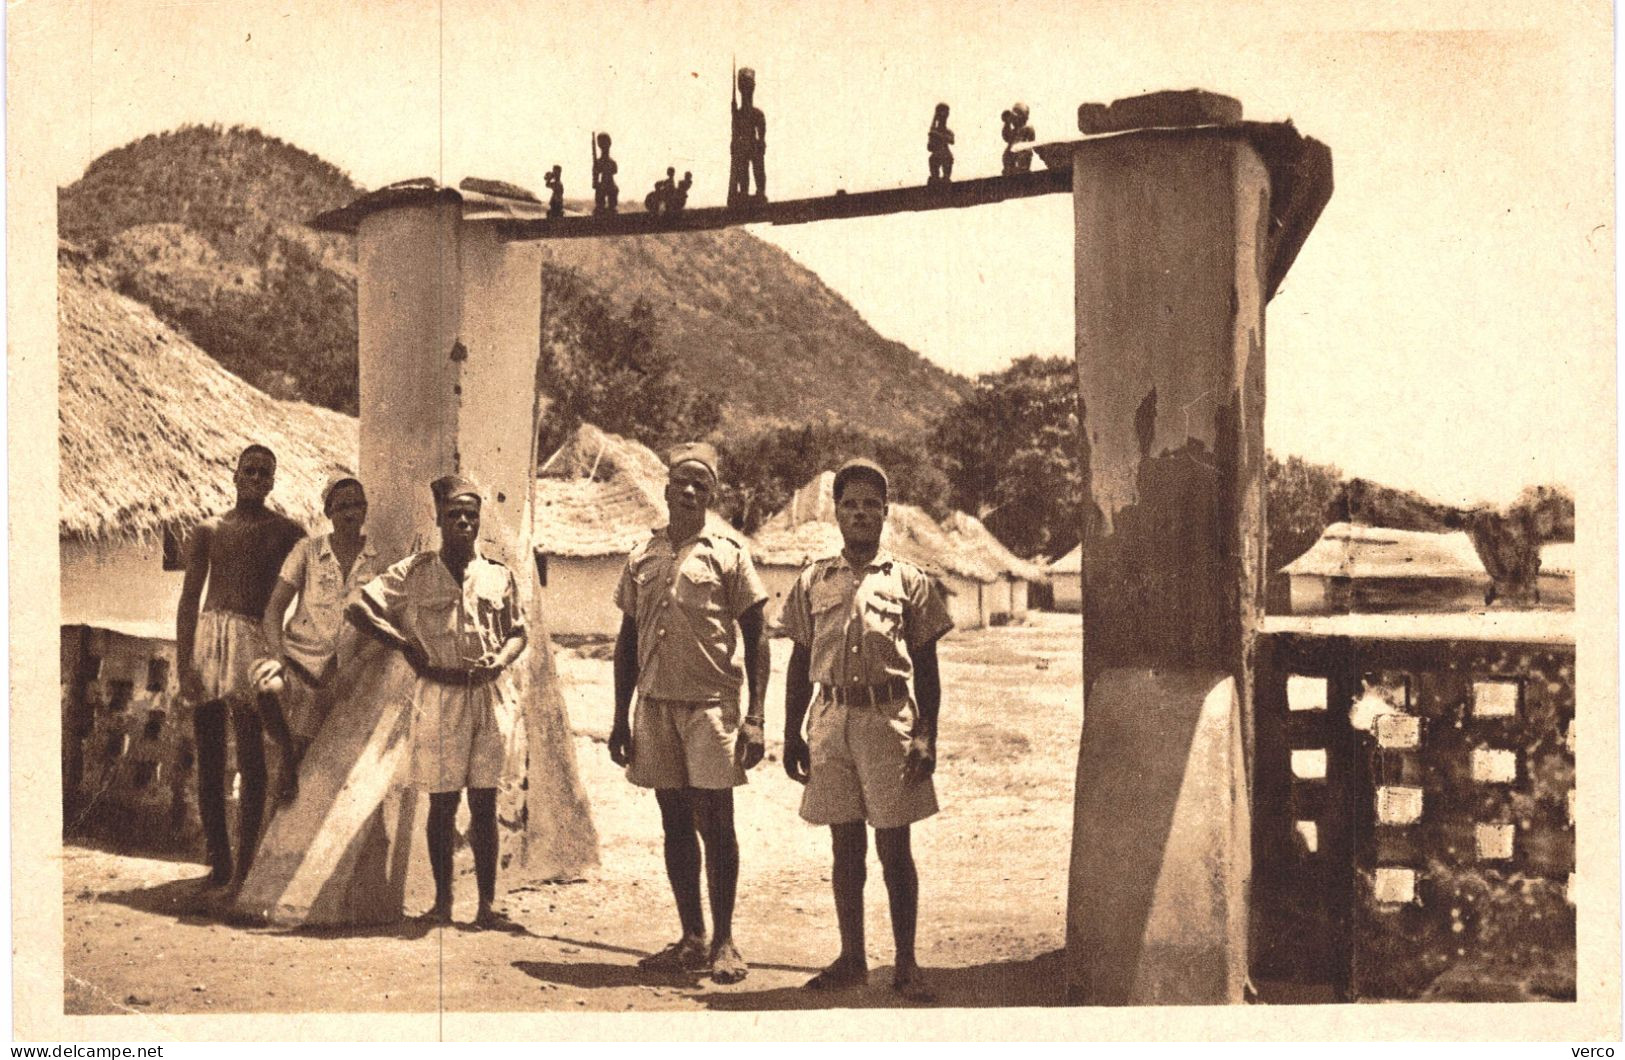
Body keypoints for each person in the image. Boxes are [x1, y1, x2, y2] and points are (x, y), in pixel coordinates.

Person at [781, 459, 952, 1003]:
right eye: (849, 503)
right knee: (844, 847)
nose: (859, 513)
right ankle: (851, 957)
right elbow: (798, 659)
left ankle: (906, 963)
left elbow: (926, 666)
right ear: (836, 512)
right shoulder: (814, 579)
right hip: (831, 722)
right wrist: (791, 732)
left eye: (870, 505)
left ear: (885, 513)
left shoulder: (909, 581)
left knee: (894, 848)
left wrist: (927, 732)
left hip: (888, 722)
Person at [609, 443, 769, 984]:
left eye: (701, 483)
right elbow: (626, 641)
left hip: (711, 708)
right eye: (682, 480)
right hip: (655, 707)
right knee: (673, 822)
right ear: (666, 487)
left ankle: (725, 941)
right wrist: (618, 715)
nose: (690, 490)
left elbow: (757, 636)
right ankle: (692, 936)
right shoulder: (643, 555)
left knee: (716, 824)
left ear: (712, 494)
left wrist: (756, 717)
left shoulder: (728, 552)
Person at [346, 475, 527, 930]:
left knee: (485, 802)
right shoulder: (415, 572)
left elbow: (518, 631)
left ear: (479, 520)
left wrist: (500, 661)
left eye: (471, 515)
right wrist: (404, 644)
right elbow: (358, 607)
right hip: (439, 694)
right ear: (441, 520)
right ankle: (443, 904)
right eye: (454, 515)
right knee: (443, 804)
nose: (463, 522)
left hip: (487, 695)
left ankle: (487, 905)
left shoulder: (498, 575)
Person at [175, 444, 307, 895]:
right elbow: (189, 599)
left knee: (251, 758)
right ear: (234, 476)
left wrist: (287, 650)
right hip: (209, 642)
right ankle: (219, 863)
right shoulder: (208, 529)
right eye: (248, 470)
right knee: (209, 757)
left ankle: (245, 868)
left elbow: (299, 591)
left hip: (253, 643)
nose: (255, 478)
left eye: (263, 473)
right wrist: (183, 664)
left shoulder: (288, 531)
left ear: (272, 482)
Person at [256, 474, 381, 766]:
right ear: (329, 512)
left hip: (340, 678)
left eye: (358, 505)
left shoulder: (377, 561)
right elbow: (274, 610)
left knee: (315, 767)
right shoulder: (308, 552)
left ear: (365, 510)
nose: (351, 512)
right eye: (342, 506)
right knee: (282, 761)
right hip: (297, 669)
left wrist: (357, 664)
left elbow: (382, 625)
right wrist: (279, 659)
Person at [728, 67, 766, 206]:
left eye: (748, 87)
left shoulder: (757, 114)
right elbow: (735, 132)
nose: (747, 92)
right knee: (743, 171)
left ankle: (759, 192)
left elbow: (761, 133)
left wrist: (761, 143)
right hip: (743, 144)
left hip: (752, 144)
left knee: (758, 168)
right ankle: (744, 194)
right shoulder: (739, 114)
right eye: (744, 88)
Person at [1001, 103, 1035, 175]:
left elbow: (1032, 140)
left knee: (1023, 157)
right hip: (1013, 149)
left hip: (1023, 149)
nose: (1013, 119)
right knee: (1007, 156)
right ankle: (1008, 170)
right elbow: (1006, 137)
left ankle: (1023, 170)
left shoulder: (1028, 127)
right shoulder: (1014, 131)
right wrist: (1007, 123)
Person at [927, 103, 955, 185]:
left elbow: (952, 141)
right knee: (933, 161)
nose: (945, 116)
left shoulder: (947, 132)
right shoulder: (934, 131)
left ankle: (944, 178)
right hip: (937, 154)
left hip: (945, 154)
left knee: (948, 158)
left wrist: (937, 135)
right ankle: (936, 179)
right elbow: (929, 147)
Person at [593, 133, 619, 215]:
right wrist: (595, 182)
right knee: (600, 205)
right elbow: (595, 175)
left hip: (609, 183)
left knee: (612, 201)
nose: (604, 146)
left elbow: (614, 171)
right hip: (603, 185)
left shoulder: (611, 162)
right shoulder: (599, 162)